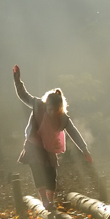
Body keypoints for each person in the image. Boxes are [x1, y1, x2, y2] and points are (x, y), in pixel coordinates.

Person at [12, 65, 92, 208]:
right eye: (50, 109)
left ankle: (51, 200)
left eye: (56, 110)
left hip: (49, 148)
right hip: (34, 145)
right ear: (45, 105)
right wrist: (18, 81)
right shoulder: (38, 105)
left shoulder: (62, 118)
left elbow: (73, 132)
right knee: (37, 170)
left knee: (51, 175)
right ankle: (44, 200)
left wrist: (84, 150)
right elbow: (24, 96)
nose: (53, 113)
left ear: (60, 109)